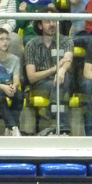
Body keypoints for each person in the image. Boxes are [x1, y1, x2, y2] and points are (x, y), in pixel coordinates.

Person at [25, 7, 74, 136]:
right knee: (60, 85)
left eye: (54, 21)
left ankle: (53, 111)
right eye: (47, 21)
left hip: (62, 80)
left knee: (64, 78)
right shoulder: (31, 45)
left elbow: (68, 59)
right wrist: (55, 69)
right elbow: (32, 77)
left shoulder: (66, 41)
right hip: (41, 84)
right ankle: (63, 131)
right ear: (40, 25)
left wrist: (62, 70)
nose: (52, 24)